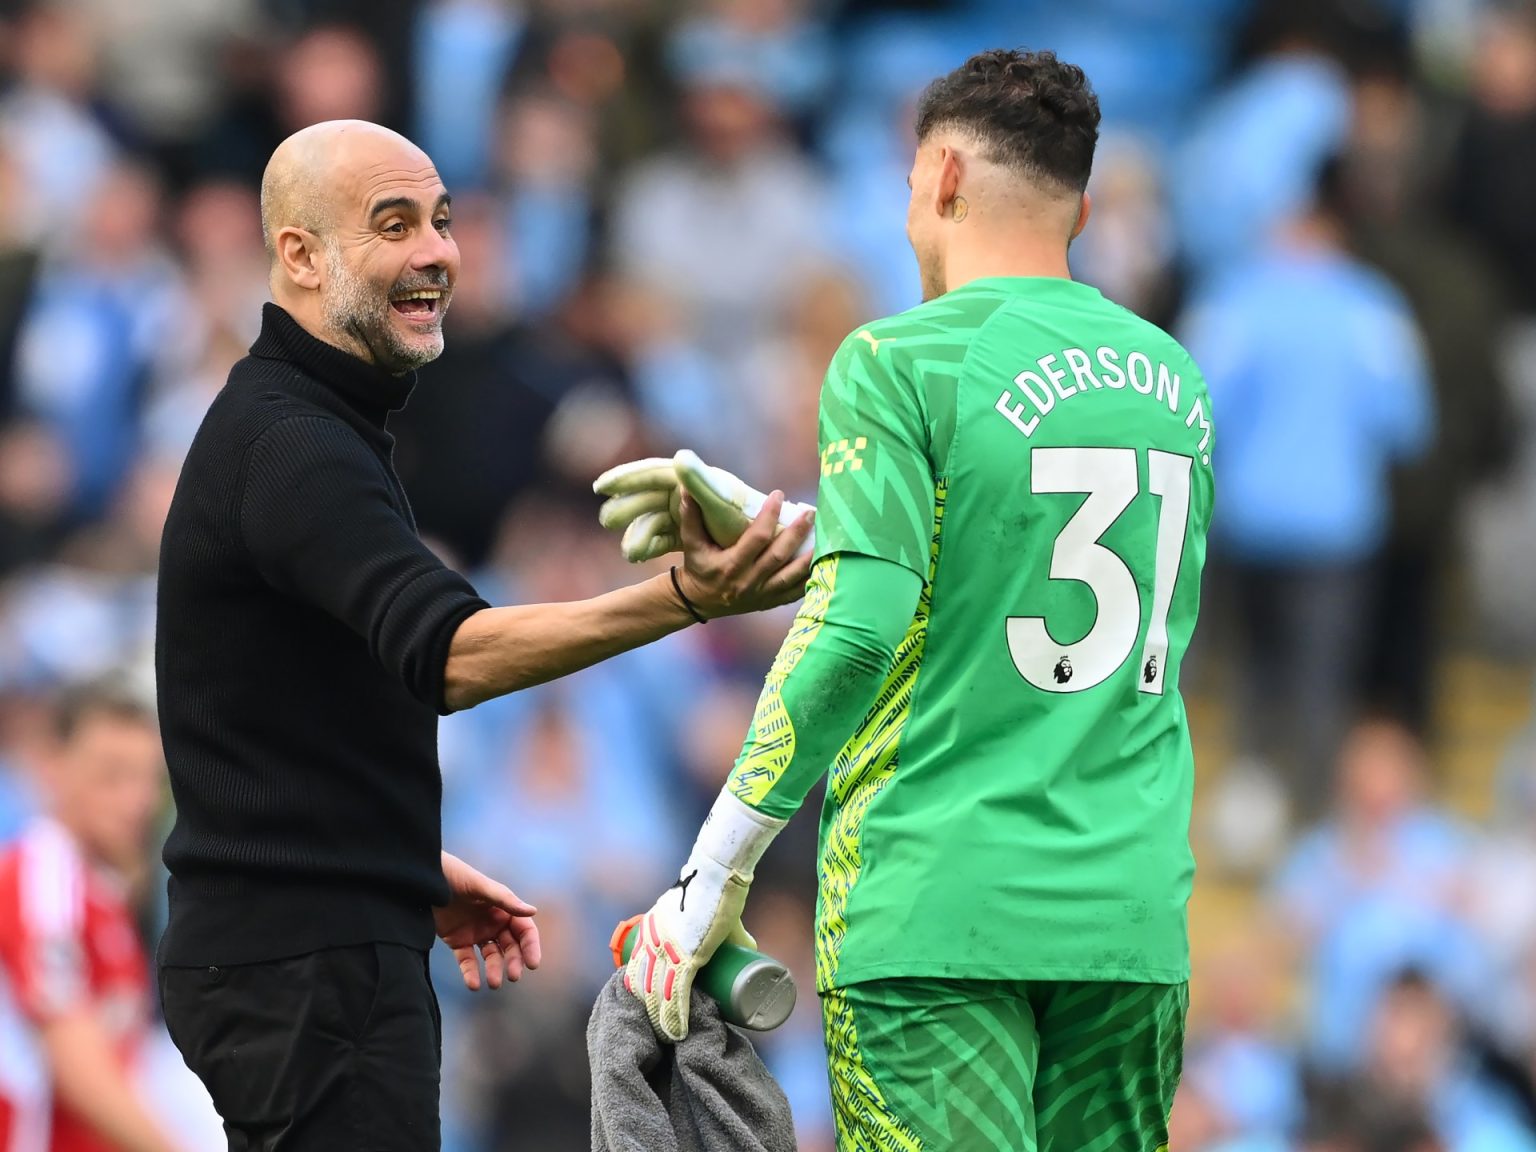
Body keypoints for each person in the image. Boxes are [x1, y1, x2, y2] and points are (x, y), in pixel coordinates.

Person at [153, 119, 812, 1152]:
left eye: (444, 221)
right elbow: (450, 655)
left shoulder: (315, 426)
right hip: (303, 967)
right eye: (393, 224)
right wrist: (684, 597)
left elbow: (280, 705)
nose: (437, 252)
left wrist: (396, 858)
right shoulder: (293, 445)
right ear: (299, 254)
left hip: (315, 940)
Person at [604, 50, 1214, 1151]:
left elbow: (859, 632)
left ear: (939, 175)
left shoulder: (898, 360)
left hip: (937, 910)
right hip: (1129, 921)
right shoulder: (1172, 377)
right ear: (1079, 203)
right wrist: (809, 529)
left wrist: (715, 868)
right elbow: (1025, 564)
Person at [0, 679, 181, 1152]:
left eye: (149, 779)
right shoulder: (45, 879)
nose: (137, 800)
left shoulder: (101, 889)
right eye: (112, 775)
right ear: (53, 766)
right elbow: (75, 1061)